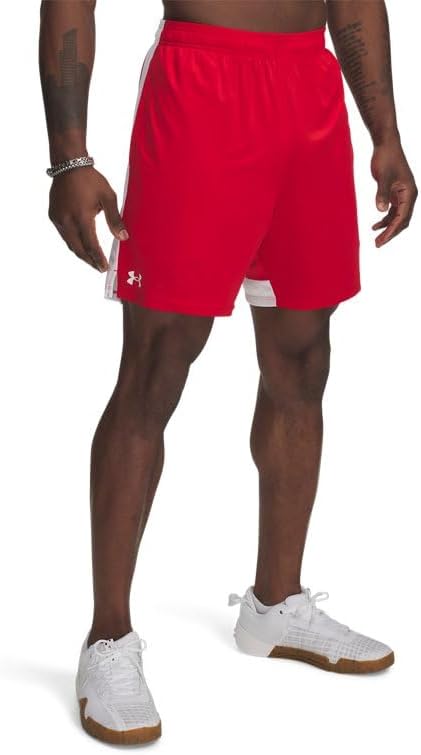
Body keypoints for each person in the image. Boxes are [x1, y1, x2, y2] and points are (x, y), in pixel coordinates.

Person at [39, 0, 417, 746]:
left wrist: (386, 134)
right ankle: (108, 638)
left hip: (308, 94)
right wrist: (70, 157)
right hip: (200, 85)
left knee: (303, 358)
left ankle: (275, 604)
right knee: (156, 366)